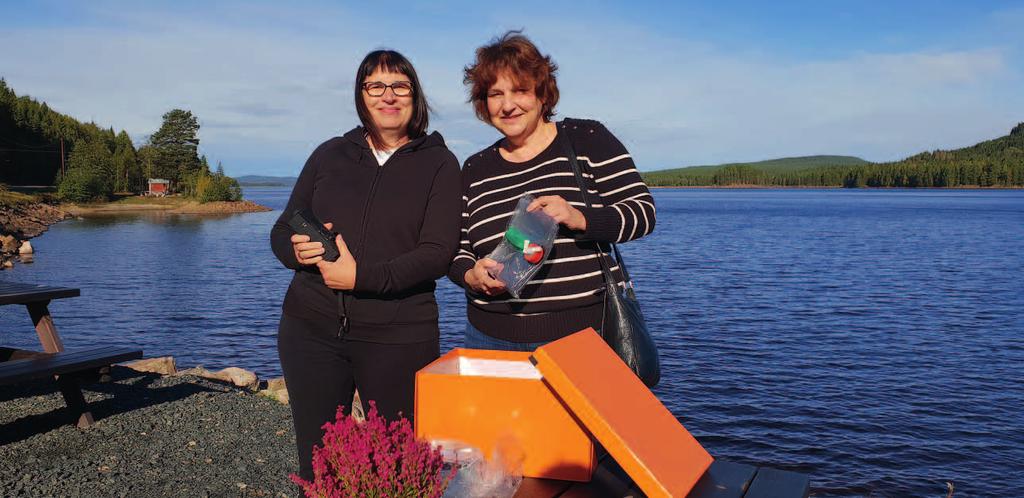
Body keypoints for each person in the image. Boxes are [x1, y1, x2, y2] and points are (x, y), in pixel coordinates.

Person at [270, 50, 461, 481]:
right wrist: (295, 251)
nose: (388, 96)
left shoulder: (440, 164)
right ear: (362, 95)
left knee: (399, 466)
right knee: (321, 466)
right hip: (310, 329)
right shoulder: (330, 154)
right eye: (376, 85)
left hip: (399, 335)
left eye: (399, 85)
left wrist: (362, 277)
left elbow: (437, 251)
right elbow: (283, 229)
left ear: (415, 95)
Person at [448, 31, 657, 351]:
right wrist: (470, 275)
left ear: (543, 94)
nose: (507, 105)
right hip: (488, 338)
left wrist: (580, 217)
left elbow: (643, 213)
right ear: (483, 102)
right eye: (495, 93)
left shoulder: (586, 138)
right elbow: (457, 249)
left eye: (520, 90)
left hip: (584, 338)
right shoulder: (475, 168)